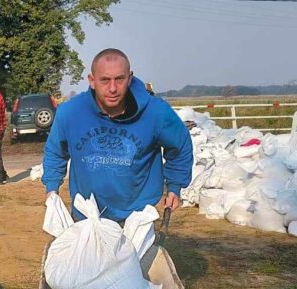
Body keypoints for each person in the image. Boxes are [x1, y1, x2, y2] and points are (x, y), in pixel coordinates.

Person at [42, 48, 193, 223]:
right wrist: (51, 190)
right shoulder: (70, 113)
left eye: (119, 79)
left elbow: (180, 146)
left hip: (137, 217)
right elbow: (55, 152)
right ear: (92, 81)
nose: (112, 88)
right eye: (105, 80)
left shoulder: (156, 113)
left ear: (129, 78)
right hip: (86, 215)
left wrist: (174, 186)